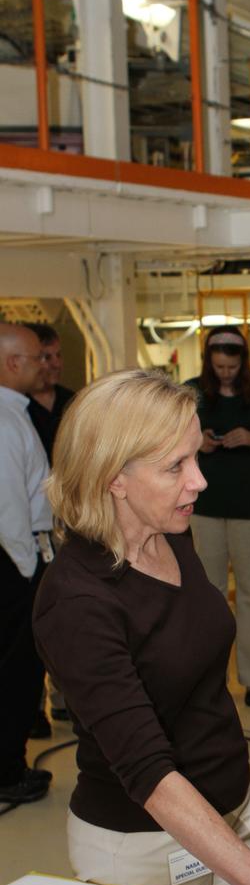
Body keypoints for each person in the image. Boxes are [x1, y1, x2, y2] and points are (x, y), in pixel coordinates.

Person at [33, 369, 250, 885]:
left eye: (196, 458)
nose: (198, 481)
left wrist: (245, 844)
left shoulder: (172, 535)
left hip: (230, 819)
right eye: (175, 467)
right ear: (112, 478)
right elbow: (146, 771)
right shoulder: (75, 599)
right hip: (141, 850)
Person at [185, 328, 250, 708]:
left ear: (243, 362)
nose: (225, 372)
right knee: (207, 596)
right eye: (219, 366)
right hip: (203, 505)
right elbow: (169, 439)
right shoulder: (191, 390)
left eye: (232, 365)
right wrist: (200, 442)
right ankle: (211, 679)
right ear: (208, 362)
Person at [0, 323, 52, 805]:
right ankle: (7, 770)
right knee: (15, 671)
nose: (45, 365)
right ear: (13, 362)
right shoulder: (4, 419)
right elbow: (9, 507)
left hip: (17, 559)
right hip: (13, 564)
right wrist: (26, 568)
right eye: (38, 357)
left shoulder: (15, 413)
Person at [25, 322, 76, 734]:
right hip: (30, 528)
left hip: (71, 521)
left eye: (57, 355)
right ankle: (32, 706)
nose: (53, 364)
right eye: (45, 357)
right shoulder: (15, 410)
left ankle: (66, 697)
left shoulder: (74, 404)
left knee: (70, 611)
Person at [25, 323, 76, 463]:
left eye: (58, 355)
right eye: (47, 357)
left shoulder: (73, 401)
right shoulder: (18, 405)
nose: (56, 364)